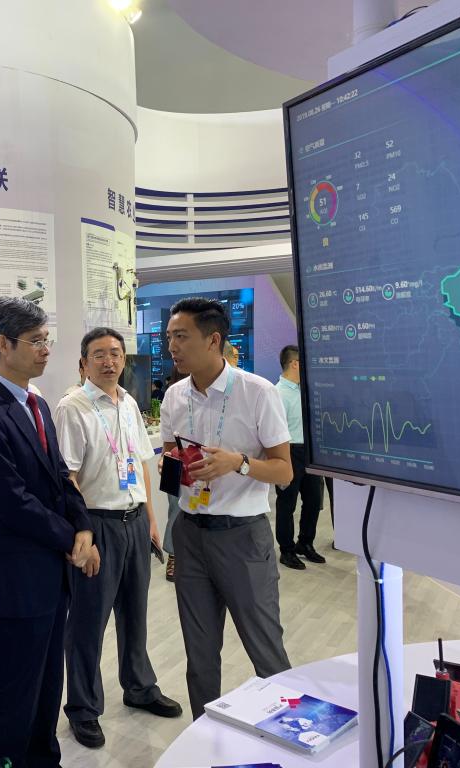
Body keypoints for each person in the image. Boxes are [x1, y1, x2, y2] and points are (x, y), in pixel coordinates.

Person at [0, 296, 98, 768]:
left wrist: (83, 527)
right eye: (35, 341)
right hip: (17, 574)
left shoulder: (36, 403)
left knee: (46, 688)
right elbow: (12, 501)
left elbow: (60, 475)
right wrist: (70, 539)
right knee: (13, 694)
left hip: (51, 572)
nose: (45, 349)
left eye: (46, 339)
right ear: (3, 345)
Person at [160, 297, 294, 719]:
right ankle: (204, 736)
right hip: (190, 535)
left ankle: (290, 732)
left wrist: (237, 463)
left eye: (182, 337)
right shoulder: (174, 396)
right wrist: (174, 467)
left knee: (265, 649)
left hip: (243, 537)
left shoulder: (257, 392)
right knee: (199, 654)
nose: (172, 346)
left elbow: (284, 470)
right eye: (170, 337)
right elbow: (171, 462)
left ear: (213, 340)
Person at [55, 327, 182, 750]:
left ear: (124, 359)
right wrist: (83, 535)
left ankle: (139, 687)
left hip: (134, 521)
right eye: (99, 354)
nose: (108, 361)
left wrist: (150, 519)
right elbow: (67, 478)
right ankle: (83, 708)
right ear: (83, 363)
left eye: (115, 353)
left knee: (135, 613)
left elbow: (141, 463)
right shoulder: (72, 408)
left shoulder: (127, 402)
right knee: (88, 623)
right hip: (98, 524)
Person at [274, 345, 326, 570]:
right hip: (288, 451)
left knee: (314, 500)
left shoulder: (304, 390)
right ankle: (286, 550)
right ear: (295, 364)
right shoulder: (277, 393)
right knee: (287, 503)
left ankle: (305, 543)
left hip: (309, 452)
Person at [161, 369, 188, 582]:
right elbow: (167, 443)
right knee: (175, 510)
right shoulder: (173, 394)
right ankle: (173, 555)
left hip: (200, 465)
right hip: (175, 462)